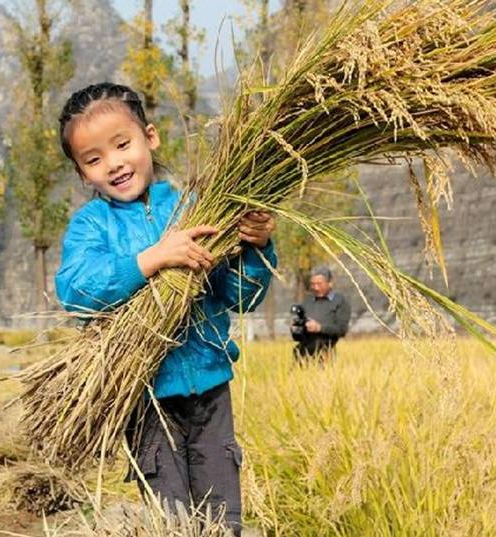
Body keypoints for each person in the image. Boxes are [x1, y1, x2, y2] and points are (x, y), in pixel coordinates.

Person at [53, 82, 277, 535]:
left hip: (211, 389)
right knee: (170, 523)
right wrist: (153, 258)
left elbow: (240, 296)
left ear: (149, 138)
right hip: (144, 398)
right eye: (93, 159)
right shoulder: (91, 225)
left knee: (222, 521)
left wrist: (257, 247)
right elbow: (76, 292)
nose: (114, 163)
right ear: (82, 173)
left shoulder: (195, 210)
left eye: (123, 144)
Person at [291, 266, 351, 362]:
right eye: (313, 284)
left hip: (326, 352)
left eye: (319, 284)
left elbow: (342, 329)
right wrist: (297, 328)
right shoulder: (308, 300)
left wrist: (319, 328)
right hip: (303, 351)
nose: (316, 287)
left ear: (330, 283)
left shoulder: (340, 301)